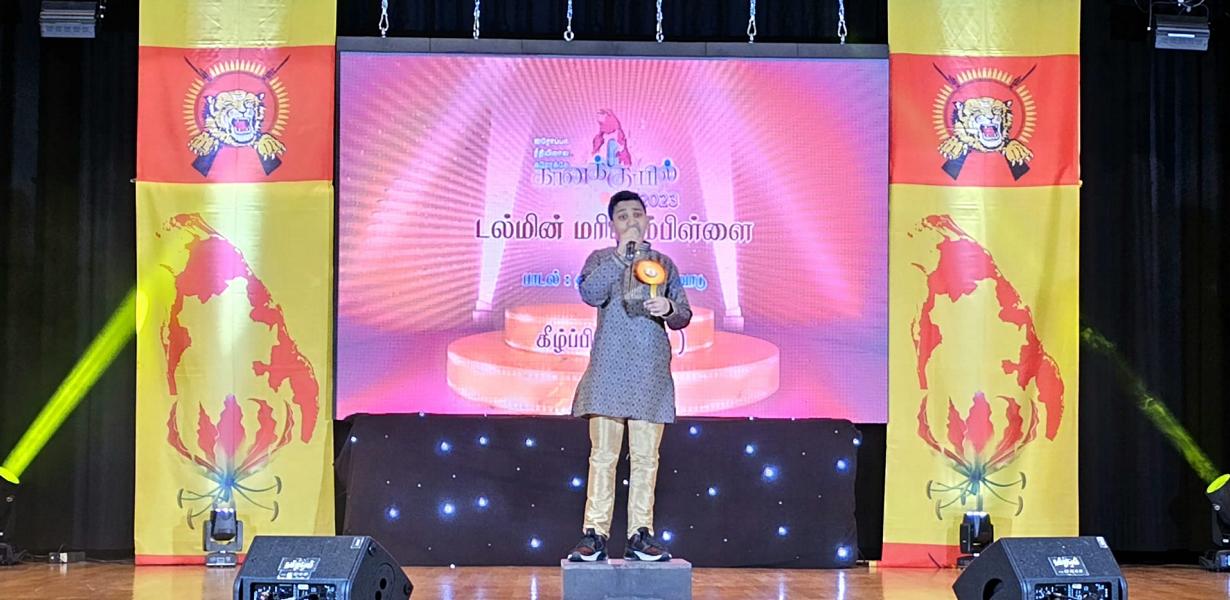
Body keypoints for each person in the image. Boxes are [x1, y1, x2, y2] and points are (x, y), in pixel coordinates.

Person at [566, 190, 692, 562]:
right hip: (608, 370)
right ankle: (595, 535)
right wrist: (623, 255)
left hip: (649, 372)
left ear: (648, 220)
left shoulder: (663, 263)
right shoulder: (601, 259)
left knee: (646, 459)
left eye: (637, 214)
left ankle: (640, 535)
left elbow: (683, 314)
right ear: (612, 226)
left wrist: (669, 307)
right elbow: (590, 293)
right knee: (603, 457)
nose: (631, 221)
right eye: (623, 216)